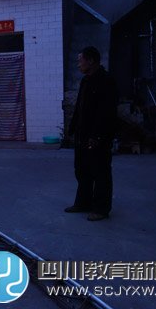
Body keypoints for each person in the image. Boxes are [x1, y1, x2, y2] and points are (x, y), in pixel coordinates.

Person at [65, 46, 118, 221]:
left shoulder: (106, 81)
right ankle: (83, 203)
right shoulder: (85, 81)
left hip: (98, 138)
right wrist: (72, 129)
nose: (78, 64)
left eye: (80, 61)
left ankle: (101, 209)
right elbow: (79, 107)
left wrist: (97, 136)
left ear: (91, 61)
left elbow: (107, 113)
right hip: (82, 135)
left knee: (100, 172)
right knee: (82, 171)